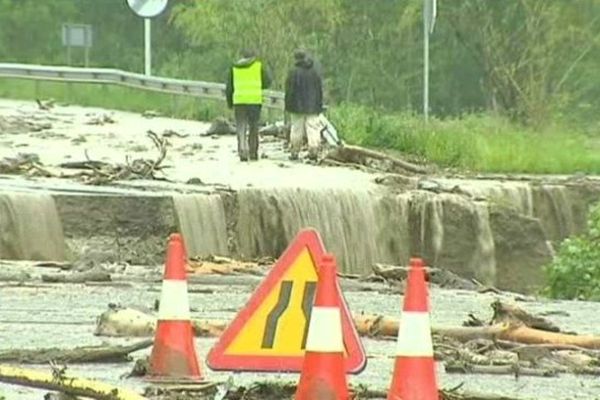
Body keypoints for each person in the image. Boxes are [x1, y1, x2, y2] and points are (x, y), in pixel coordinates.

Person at [225, 49, 271, 161]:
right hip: (254, 100)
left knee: (241, 127)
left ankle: (242, 152)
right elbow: (268, 81)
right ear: (253, 56)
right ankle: (253, 152)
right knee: (254, 127)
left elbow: (229, 87)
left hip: (239, 101)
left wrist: (230, 102)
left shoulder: (234, 68)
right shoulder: (258, 66)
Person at [284, 49, 324, 161]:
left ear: (296, 59)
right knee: (313, 128)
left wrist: (288, 104)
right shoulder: (314, 72)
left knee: (296, 129)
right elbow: (319, 90)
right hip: (313, 105)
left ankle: (294, 151)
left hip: (296, 106)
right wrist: (319, 104)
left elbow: (289, 90)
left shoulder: (293, 72)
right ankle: (314, 151)